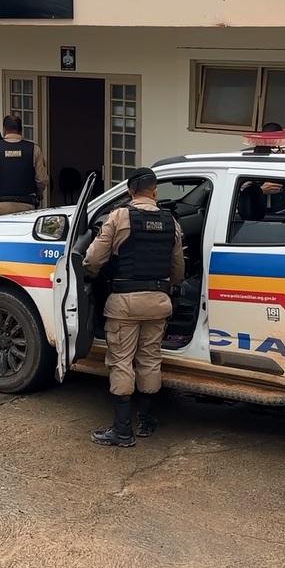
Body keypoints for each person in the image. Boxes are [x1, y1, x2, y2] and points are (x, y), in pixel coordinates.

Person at [83, 167, 185, 447]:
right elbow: (178, 268)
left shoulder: (119, 217)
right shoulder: (171, 221)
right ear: (154, 192)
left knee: (122, 362)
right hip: (158, 303)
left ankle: (122, 431)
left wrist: (91, 274)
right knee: (150, 359)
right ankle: (146, 422)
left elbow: (93, 259)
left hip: (124, 304)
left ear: (130, 192)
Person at [0, 115, 48, 216]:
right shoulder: (34, 149)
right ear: (21, 130)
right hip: (26, 204)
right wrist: (39, 194)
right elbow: (41, 179)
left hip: (1, 205)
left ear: (4, 129)